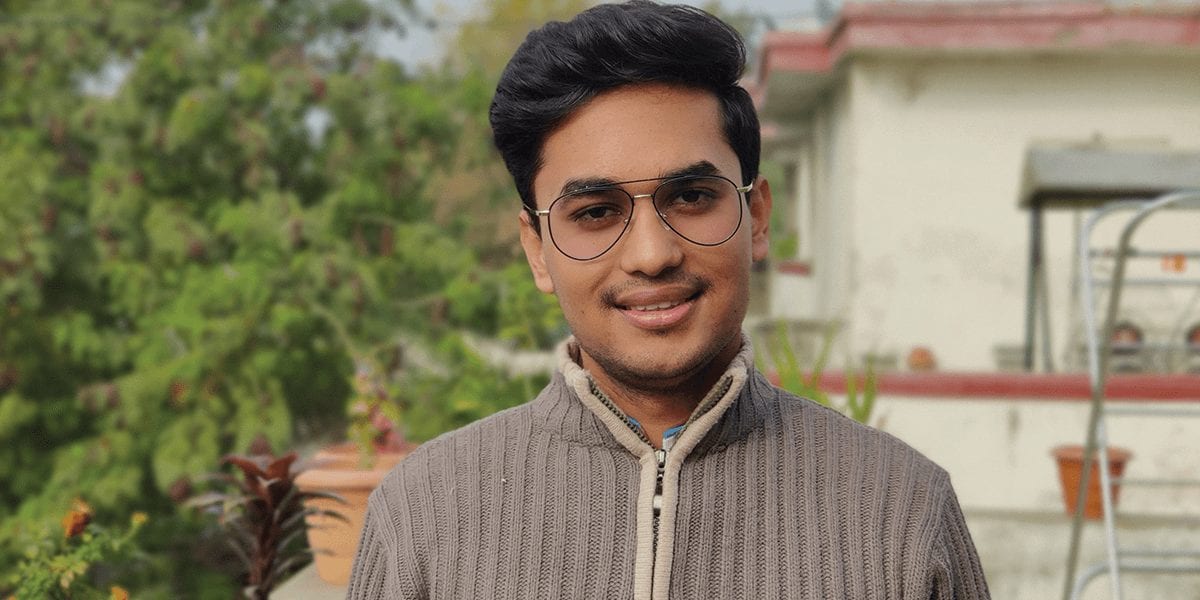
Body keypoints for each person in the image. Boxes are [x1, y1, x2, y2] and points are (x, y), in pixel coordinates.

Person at [347, 2, 991, 598]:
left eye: (691, 197)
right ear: (538, 249)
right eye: (596, 212)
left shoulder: (902, 511)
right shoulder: (421, 516)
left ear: (757, 217)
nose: (652, 254)